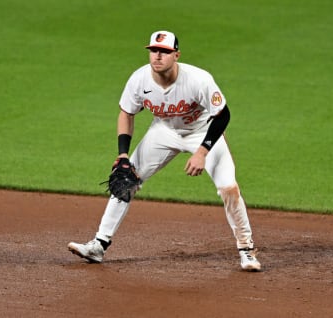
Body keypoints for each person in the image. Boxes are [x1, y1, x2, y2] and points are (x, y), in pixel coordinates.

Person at [68, 30, 261, 271]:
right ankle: (99, 245)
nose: (158, 56)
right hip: (164, 131)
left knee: (228, 188)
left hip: (202, 131)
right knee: (125, 180)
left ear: (176, 55)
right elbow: (126, 113)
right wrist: (123, 154)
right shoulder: (139, 79)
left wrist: (202, 152)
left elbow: (223, 115)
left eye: (165, 52)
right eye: (154, 51)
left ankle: (247, 250)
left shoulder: (198, 79)